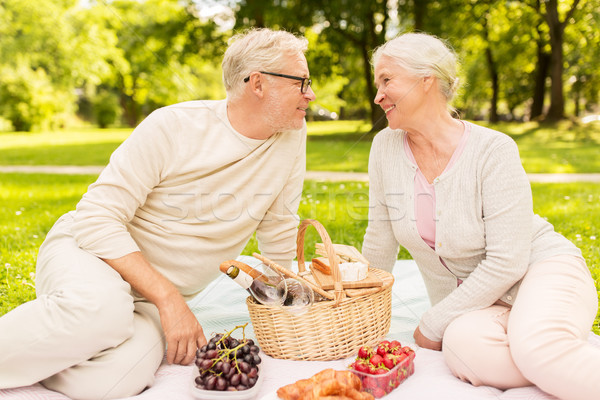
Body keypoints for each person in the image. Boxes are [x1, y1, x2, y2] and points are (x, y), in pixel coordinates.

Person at [0, 28, 315, 399]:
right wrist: (170, 301)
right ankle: (74, 316)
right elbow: (96, 217)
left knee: (112, 382)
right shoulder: (174, 126)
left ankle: (55, 336)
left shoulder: (291, 136)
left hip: (149, 302)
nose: (310, 95)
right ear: (258, 84)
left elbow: (278, 227)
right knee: (103, 310)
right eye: (302, 82)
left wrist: (296, 303)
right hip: (90, 254)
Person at [361, 32, 600, 400]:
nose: (377, 95)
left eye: (386, 80)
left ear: (427, 81)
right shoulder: (384, 148)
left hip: (542, 267)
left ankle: (546, 347)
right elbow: (380, 241)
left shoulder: (493, 150)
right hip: (482, 304)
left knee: (536, 348)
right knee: (463, 352)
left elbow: (508, 261)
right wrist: (357, 311)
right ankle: (555, 355)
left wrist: (432, 322)